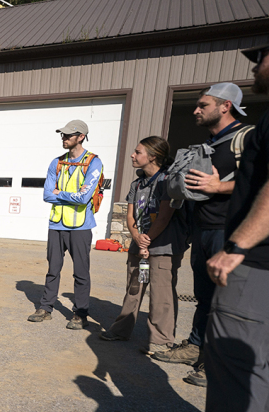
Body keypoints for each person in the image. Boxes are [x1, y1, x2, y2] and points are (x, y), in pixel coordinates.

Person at [147, 30, 269, 412]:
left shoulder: (260, 126)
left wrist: (238, 244)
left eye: (261, 55)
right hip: (256, 257)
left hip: (256, 257)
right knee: (267, 361)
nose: (255, 62)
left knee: (235, 366)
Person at [152, 83, 254, 386]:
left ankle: (217, 362)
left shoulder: (246, 139)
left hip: (230, 230)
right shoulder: (212, 142)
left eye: (203, 105)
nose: (196, 110)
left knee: (228, 302)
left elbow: (265, 183)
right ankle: (196, 347)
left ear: (225, 106)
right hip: (204, 229)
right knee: (204, 297)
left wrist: (219, 187)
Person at [100, 137, 189, 353]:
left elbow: (165, 216)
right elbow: (130, 216)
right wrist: (137, 237)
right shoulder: (137, 184)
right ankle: (120, 330)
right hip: (140, 248)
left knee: (161, 294)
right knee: (135, 288)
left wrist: (147, 239)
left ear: (153, 157)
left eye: (137, 152)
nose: (132, 155)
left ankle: (160, 341)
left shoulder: (168, 180)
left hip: (163, 248)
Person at [27, 120, 103, 330]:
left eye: (68, 135)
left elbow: (84, 197)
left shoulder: (93, 162)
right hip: (56, 225)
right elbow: (47, 195)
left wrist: (60, 194)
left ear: (81, 136)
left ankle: (80, 314)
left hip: (80, 226)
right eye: (63, 134)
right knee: (53, 269)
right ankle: (45, 308)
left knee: (81, 272)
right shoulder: (56, 162)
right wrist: (67, 195)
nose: (64, 138)